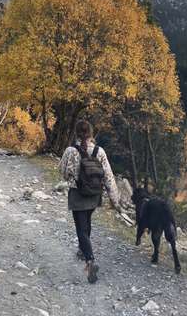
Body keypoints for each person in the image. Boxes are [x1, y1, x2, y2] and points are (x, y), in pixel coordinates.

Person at [59, 120, 121, 283]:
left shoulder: (71, 151)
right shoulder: (100, 152)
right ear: (91, 133)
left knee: (81, 229)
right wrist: (115, 200)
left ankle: (90, 260)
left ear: (76, 133)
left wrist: (73, 176)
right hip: (94, 195)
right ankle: (82, 250)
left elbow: (63, 172)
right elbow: (108, 176)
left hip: (77, 194)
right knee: (87, 223)